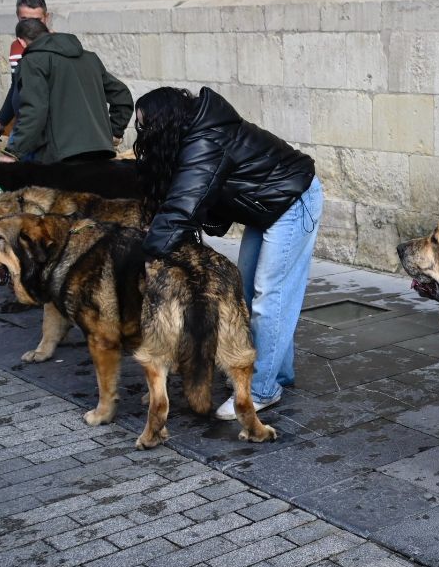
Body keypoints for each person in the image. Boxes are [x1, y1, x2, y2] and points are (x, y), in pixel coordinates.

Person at [135, 86, 322, 420]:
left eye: (146, 127)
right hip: (267, 206)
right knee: (247, 293)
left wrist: (145, 254)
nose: (142, 136)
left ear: (165, 122)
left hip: (294, 201)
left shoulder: (206, 140)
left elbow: (182, 206)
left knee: (271, 295)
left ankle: (261, 389)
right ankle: (278, 374)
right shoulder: (197, 133)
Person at [0, 19, 133, 164]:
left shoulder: (32, 62)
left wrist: (12, 152)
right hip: (100, 153)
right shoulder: (90, 58)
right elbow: (122, 97)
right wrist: (112, 133)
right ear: (48, 33)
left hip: (59, 159)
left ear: (21, 42)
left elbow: (34, 111)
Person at [0, 0, 50, 144]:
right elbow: (16, 87)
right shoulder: (16, 47)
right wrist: (0, 122)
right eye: (24, 20)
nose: (31, 27)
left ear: (46, 18)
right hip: (22, 127)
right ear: (17, 17)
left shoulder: (57, 47)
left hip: (47, 133)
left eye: (37, 20)